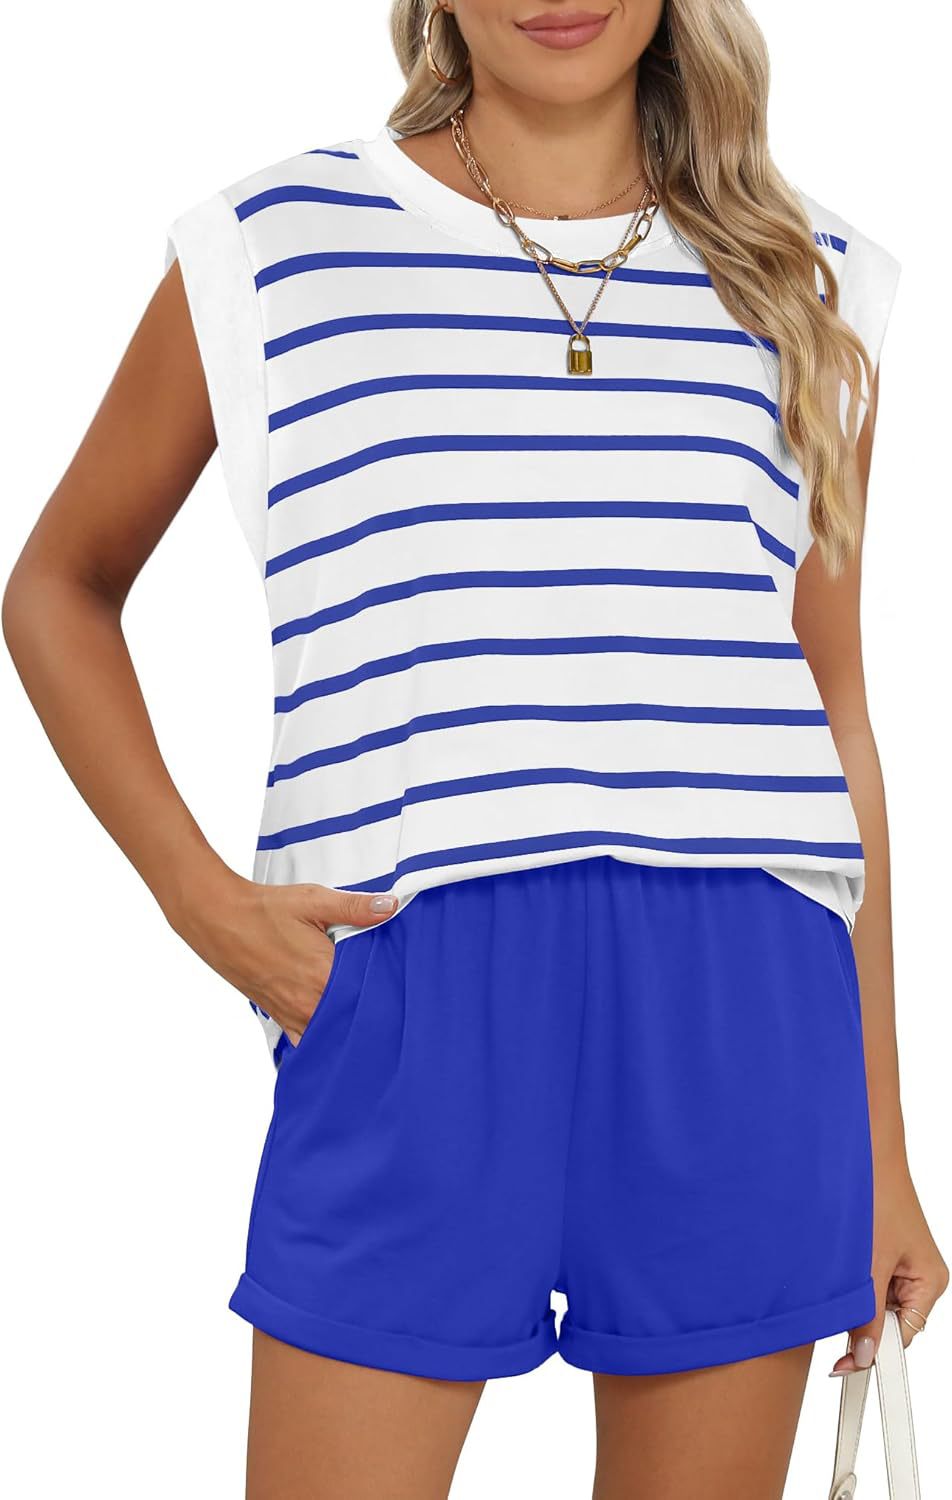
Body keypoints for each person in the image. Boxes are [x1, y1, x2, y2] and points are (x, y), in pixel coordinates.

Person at [3, 2, 947, 1497]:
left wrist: (882, 1139)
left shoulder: (805, 276)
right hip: (410, 991)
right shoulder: (274, 245)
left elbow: (833, 703)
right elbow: (58, 586)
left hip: (743, 1014)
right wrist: (202, 903)